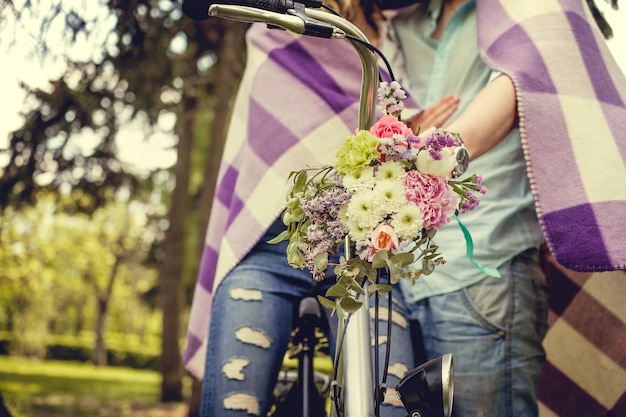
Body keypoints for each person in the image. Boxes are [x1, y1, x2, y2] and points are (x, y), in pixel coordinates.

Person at [180, 0, 461, 416]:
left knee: (390, 407)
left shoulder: (395, 38)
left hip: (362, 259)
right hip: (267, 251)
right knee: (233, 406)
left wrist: (410, 143)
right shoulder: (282, 20)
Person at [385, 0, 626, 416]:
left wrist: (421, 150)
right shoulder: (400, 23)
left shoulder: (537, 7)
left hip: (485, 270)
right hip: (405, 279)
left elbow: (482, 125)